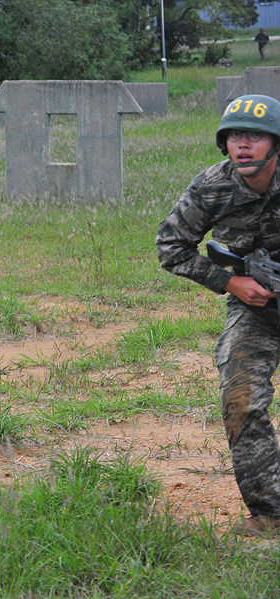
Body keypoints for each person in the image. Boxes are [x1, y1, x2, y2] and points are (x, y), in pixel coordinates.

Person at [156, 93, 280, 535]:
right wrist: (232, 283)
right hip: (258, 308)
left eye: (255, 136)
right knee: (240, 397)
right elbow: (170, 247)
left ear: (276, 144)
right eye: (234, 136)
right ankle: (270, 514)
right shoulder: (212, 186)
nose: (243, 144)